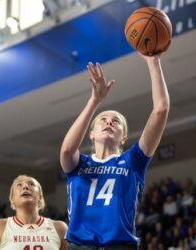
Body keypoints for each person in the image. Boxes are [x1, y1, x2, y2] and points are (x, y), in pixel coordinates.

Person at [60, 53, 170, 249]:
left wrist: (154, 62)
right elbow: (67, 149)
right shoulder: (79, 164)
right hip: (79, 246)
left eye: (116, 121)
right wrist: (95, 101)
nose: (109, 121)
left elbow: (161, 110)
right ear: (91, 134)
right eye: (103, 119)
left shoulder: (133, 161)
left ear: (124, 138)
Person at [0, 175, 68, 250]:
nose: (25, 187)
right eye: (19, 185)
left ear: (40, 196)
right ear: (12, 198)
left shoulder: (60, 228)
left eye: (31, 184)